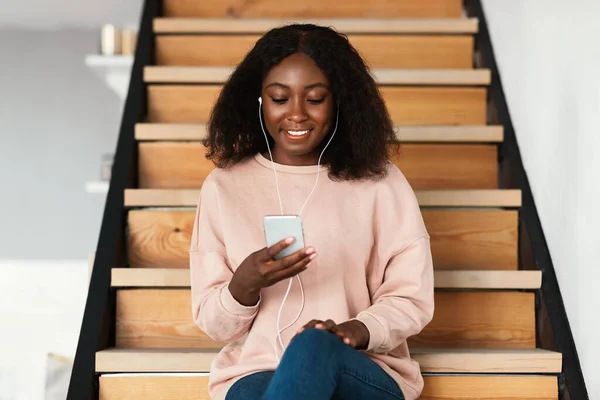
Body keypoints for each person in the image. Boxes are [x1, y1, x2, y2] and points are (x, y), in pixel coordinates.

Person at [189, 24, 435, 400]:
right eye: (279, 98)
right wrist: (244, 285)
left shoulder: (380, 183)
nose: (297, 114)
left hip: (362, 367)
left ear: (339, 101)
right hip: (259, 369)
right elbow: (214, 322)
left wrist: (353, 331)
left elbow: (411, 299)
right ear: (258, 100)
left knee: (312, 345)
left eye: (315, 98)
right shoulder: (224, 187)